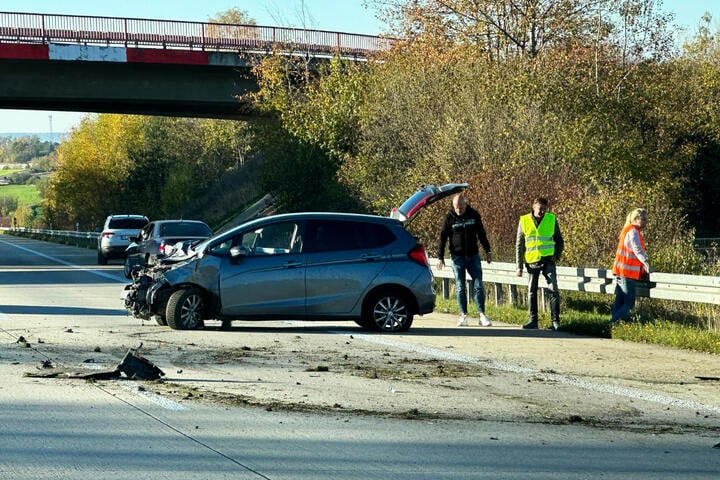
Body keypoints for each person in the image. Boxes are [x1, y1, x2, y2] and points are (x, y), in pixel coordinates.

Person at [437, 193, 493, 327]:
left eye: (461, 208)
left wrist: (488, 250)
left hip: (473, 256)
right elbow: (442, 238)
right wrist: (440, 257)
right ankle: (463, 315)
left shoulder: (474, 215)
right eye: (456, 207)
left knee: (478, 285)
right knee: (460, 286)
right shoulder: (449, 217)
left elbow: (481, 233)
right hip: (457, 257)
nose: (458, 210)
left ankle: (482, 315)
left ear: (465, 204)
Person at [515, 197, 564, 330]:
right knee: (531, 291)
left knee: (553, 289)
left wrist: (556, 256)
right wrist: (518, 266)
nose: (541, 211)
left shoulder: (551, 219)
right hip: (531, 261)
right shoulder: (524, 220)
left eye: (544, 209)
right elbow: (519, 245)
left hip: (548, 260)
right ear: (533, 207)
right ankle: (533, 320)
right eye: (539, 209)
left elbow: (559, 240)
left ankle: (555, 321)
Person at [609, 208, 651, 325]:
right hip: (627, 273)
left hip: (620, 272)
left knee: (620, 301)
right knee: (629, 304)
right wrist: (646, 262)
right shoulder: (633, 232)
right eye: (643, 219)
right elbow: (637, 250)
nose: (645, 222)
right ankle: (611, 324)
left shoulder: (627, 230)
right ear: (636, 219)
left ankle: (612, 325)